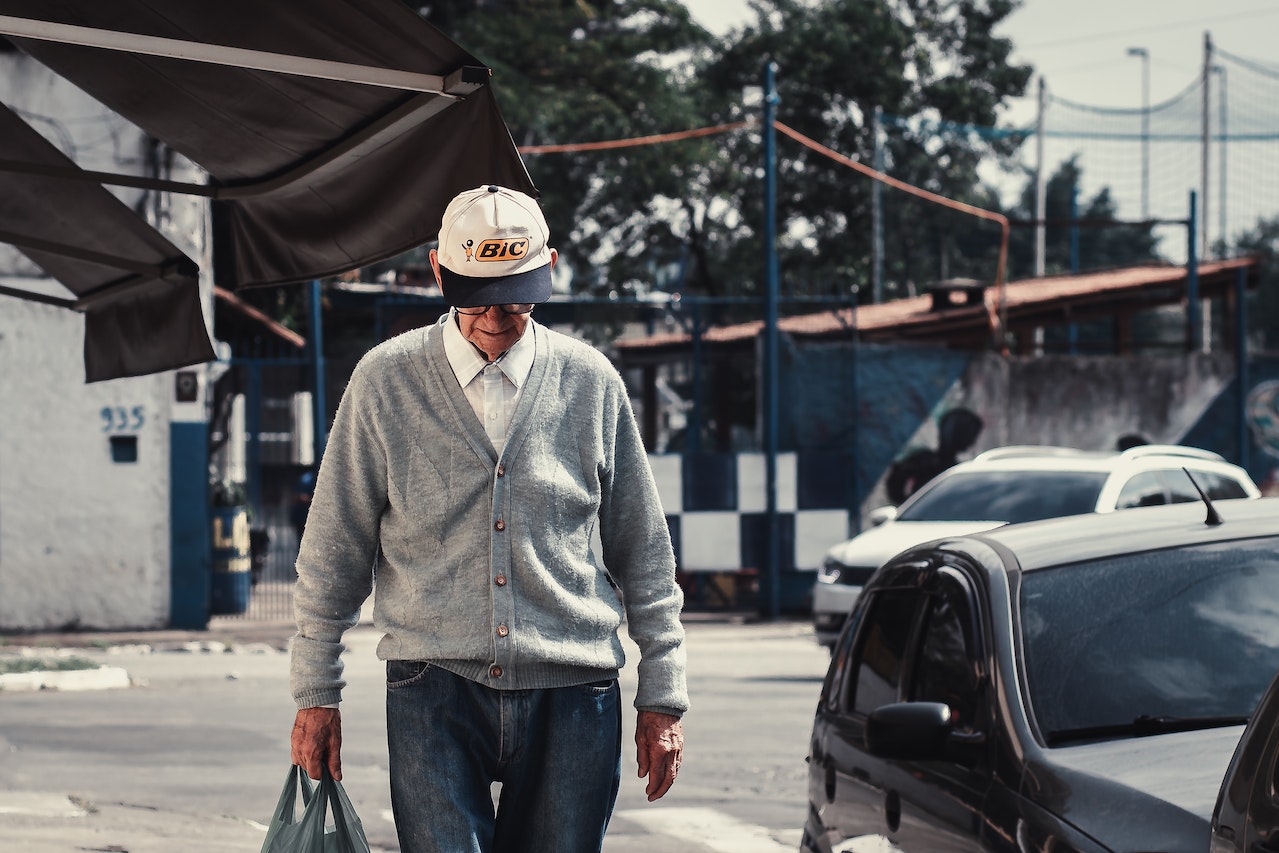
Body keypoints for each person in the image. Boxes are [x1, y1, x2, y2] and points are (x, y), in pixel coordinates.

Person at [288, 184, 688, 853]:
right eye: (473, 292)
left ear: (550, 268)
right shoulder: (384, 381)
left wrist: (663, 693)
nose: (495, 315)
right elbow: (333, 551)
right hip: (432, 688)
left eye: (516, 293)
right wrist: (315, 691)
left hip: (574, 688)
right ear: (438, 271)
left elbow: (643, 552)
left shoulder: (590, 382)